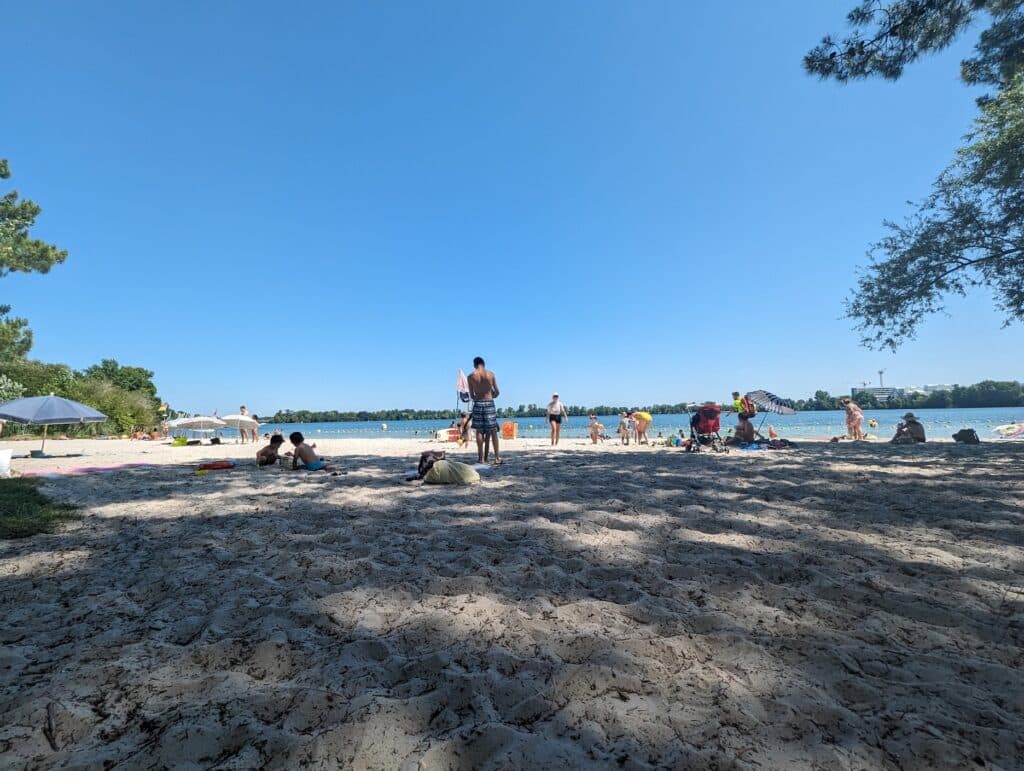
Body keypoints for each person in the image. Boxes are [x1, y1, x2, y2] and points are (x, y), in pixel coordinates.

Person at [468, 356, 501, 465]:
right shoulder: (491, 374)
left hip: (478, 403)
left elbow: (472, 395)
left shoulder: (471, 376)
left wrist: (478, 395)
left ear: (474, 365)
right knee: (493, 430)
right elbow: (497, 392)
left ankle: (481, 458)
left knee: (479, 431)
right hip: (489, 402)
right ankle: (497, 458)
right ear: (484, 364)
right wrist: (492, 395)